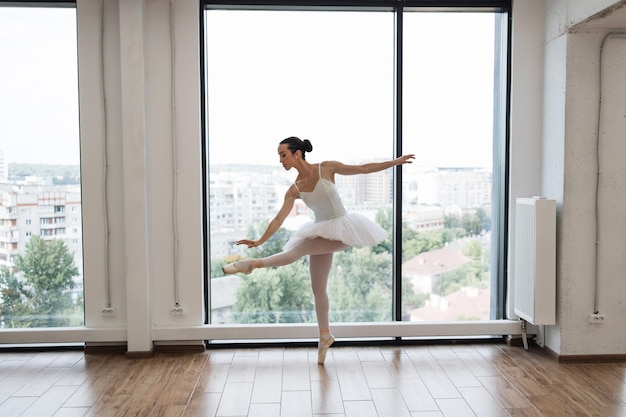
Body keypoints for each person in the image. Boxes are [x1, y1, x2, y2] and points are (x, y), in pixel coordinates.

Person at [223, 136, 415, 364]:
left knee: (297, 251)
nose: (280, 160)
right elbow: (277, 220)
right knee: (318, 289)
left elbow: (363, 169)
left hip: (343, 229)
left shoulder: (327, 168)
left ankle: (252, 265)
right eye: (279, 156)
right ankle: (324, 335)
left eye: (283, 154)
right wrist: (259, 240)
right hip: (321, 232)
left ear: (297, 154)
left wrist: (396, 162)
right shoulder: (294, 189)